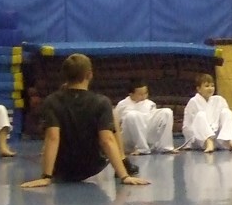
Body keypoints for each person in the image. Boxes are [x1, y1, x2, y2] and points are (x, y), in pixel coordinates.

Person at [21, 53, 150, 187]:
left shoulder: (52, 101)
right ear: (89, 75)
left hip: (62, 168)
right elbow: (107, 140)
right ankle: (123, 161)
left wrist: (46, 177)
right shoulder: (101, 102)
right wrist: (124, 176)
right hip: (93, 165)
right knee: (112, 114)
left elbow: (52, 138)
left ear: (64, 75)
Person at [115, 79, 179, 154]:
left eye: (145, 93)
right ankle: (141, 148)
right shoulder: (122, 105)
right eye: (140, 94)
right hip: (129, 137)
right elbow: (116, 124)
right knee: (132, 115)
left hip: (146, 132)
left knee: (167, 112)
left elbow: (152, 122)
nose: (144, 96)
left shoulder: (150, 104)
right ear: (131, 94)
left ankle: (166, 147)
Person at [181, 73, 232, 153]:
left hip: (218, 138)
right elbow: (187, 126)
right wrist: (191, 140)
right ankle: (208, 141)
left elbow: (226, 121)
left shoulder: (219, 100)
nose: (210, 88)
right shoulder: (193, 102)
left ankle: (230, 140)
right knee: (200, 115)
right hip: (200, 139)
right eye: (207, 86)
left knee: (227, 113)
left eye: (212, 86)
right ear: (198, 89)